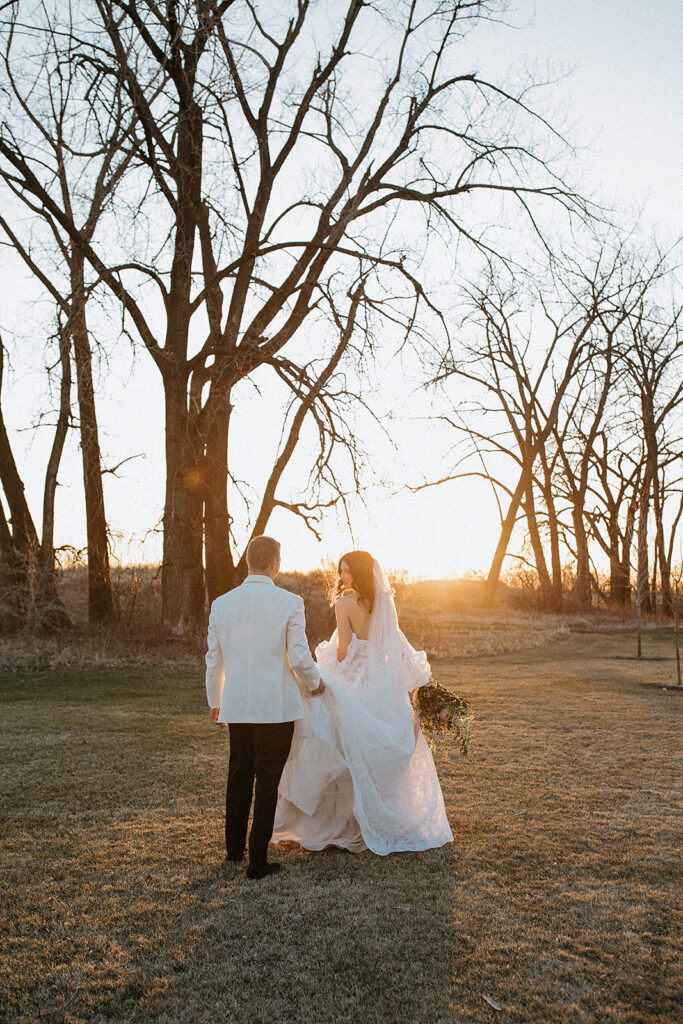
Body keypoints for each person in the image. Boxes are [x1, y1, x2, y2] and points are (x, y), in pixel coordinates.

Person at [272, 551, 453, 855]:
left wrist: (328, 659)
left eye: (346, 572)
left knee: (337, 737)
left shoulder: (344, 604)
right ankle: (367, 820)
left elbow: (344, 652)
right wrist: (423, 681)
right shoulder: (383, 604)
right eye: (340, 572)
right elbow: (395, 645)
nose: (342, 577)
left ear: (358, 573)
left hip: (359, 683)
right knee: (369, 750)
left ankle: (345, 823)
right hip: (383, 689)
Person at [205, 535, 325, 879]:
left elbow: (214, 660)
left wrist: (216, 700)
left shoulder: (222, 604)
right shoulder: (289, 602)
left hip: (237, 705)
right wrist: (315, 683)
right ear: (274, 563)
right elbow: (300, 657)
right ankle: (257, 861)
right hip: (276, 707)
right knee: (268, 780)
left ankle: (233, 850)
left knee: (239, 774)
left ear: (247, 563)